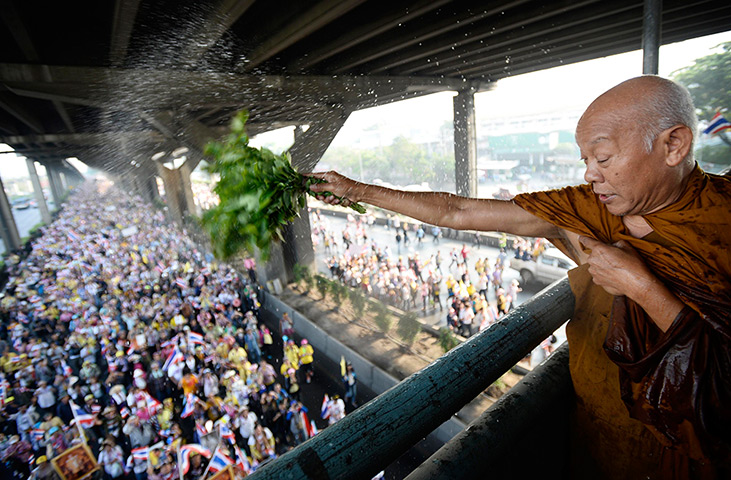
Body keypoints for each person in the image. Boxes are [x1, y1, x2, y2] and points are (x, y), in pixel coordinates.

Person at [308, 76, 730, 477]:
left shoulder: (723, 221)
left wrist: (640, 286)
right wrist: (357, 191)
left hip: (699, 452)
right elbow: (458, 211)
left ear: (673, 145)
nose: (589, 175)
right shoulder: (583, 209)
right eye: (586, 161)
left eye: (602, 158)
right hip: (598, 436)